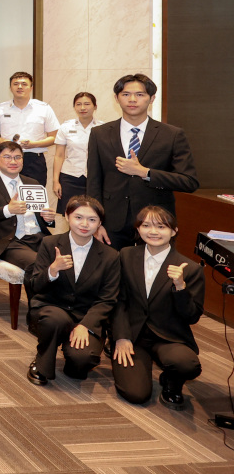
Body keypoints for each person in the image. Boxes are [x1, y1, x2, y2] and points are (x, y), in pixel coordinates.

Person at [87, 74, 199, 250]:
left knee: (154, 268)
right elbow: (93, 182)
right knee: (112, 267)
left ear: (152, 98)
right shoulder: (99, 134)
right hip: (112, 221)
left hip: (156, 222)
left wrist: (145, 173)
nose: (132, 99)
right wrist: (96, 222)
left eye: (140, 94)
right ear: (116, 98)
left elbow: (189, 181)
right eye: (125, 94)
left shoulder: (172, 135)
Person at [111, 206, 205, 409]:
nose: (153, 232)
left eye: (161, 227)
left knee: (187, 365)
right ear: (138, 229)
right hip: (133, 336)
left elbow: (192, 316)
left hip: (168, 337)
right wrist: (121, 336)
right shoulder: (126, 255)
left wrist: (180, 287)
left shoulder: (190, 268)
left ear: (174, 231)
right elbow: (118, 301)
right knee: (136, 394)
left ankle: (171, 381)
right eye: (146, 225)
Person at [23, 196, 120, 385]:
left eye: (92, 220)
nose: (84, 224)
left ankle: (72, 358)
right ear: (67, 217)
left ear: (100, 223)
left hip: (85, 315)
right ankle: (42, 361)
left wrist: (85, 325)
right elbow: (35, 285)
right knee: (54, 320)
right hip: (52, 309)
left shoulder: (111, 256)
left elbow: (107, 299)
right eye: (78, 217)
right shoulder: (50, 244)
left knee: (82, 361)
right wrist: (52, 270)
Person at [0, 142, 56, 272]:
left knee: (69, 260)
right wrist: (8, 210)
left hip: (38, 238)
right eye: (7, 157)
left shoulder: (32, 183)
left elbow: (40, 214)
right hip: (9, 241)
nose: (13, 161)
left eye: (17, 157)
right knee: (39, 264)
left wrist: (48, 219)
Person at [0, 71, 59, 186]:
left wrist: (34, 144)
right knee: (6, 193)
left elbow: (54, 137)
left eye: (24, 84)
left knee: (34, 194)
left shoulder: (44, 108)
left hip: (33, 159)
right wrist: (5, 142)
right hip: (7, 158)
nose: (20, 87)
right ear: (10, 88)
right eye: (16, 84)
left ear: (31, 88)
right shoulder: (1, 108)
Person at [52, 92, 98, 217]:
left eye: (87, 104)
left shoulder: (102, 127)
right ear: (74, 107)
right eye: (78, 104)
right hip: (70, 177)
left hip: (94, 178)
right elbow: (59, 155)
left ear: (95, 106)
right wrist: (56, 181)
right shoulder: (66, 127)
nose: (82, 108)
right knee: (71, 214)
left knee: (94, 213)